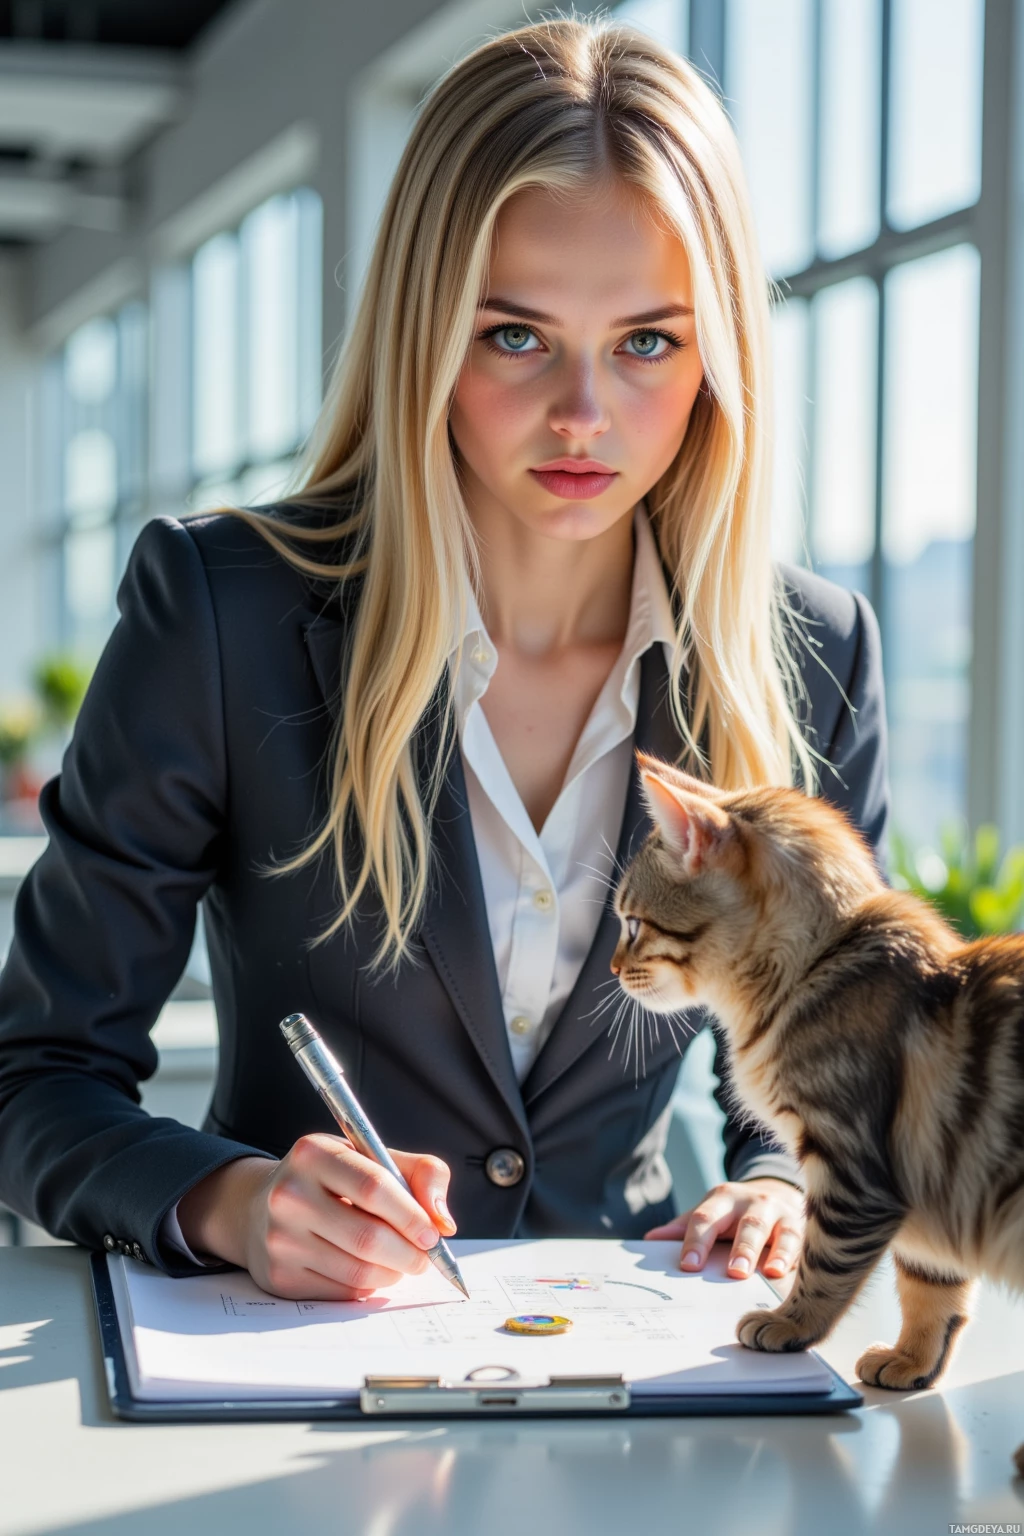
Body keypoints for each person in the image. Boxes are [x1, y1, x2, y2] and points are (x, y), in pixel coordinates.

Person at [0, 17, 887, 1302]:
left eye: (648, 340)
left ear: (718, 359)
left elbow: (827, 1067)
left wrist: (775, 1185)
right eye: (514, 335)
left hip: (647, 1408)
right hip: (280, 1384)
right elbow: (37, 1078)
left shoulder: (811, 659)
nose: (582, 415)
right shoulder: (219, 611)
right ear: (426, 330)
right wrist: (235, 1203)